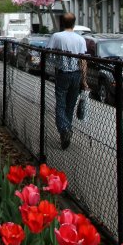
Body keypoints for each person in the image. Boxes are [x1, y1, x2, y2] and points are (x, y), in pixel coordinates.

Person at [47, 12, 88, 150]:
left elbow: (49, 54)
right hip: (76, 75)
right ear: (74, 23)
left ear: (62, 23)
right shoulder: (80, 39)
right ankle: (67, 129)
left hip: (62, 73)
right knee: (70, 105)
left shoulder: (57, 37)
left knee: (61, 104)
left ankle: (64, 130)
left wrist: (55, 62)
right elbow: (83, 60)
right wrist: (84, 79)